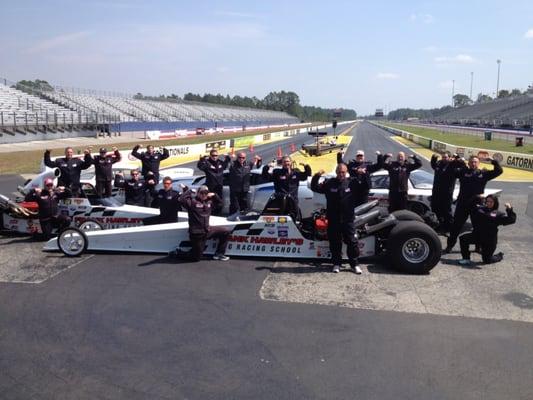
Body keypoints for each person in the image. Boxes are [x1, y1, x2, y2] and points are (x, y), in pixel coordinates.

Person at [310, 164, 362, 274]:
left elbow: (366, 186)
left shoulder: (352, 182)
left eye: (343, 172)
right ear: (336, 172)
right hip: (334, 219)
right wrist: (317, 175)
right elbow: (314, 187)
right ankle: (336, 264)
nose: (341, 174)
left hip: (348, 219)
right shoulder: (329, 183)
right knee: (335, 242)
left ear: (346, 172)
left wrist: (362, 174)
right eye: (339, 172)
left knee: (352, 242)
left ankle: (354, 264)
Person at [445, 156, 503, 253]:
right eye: (471, 162)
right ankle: (449, 246)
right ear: (468, 163)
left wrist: (493, 161)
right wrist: (455, 162)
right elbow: (449, 171)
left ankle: (478, 246)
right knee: (456, 226)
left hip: (477, 204)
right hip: (463, 203)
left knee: (478, 226)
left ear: (479, 163)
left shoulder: (483, 174)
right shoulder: (463, 172)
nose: (473, 164)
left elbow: (499, 171)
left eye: (475, 162)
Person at [459, 195, 516, 265]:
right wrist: (478, 198)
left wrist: (509, 209)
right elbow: (470, 205)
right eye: (487, 201)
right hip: (477, 236)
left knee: (487, 260)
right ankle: (466, 258)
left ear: (495, 203)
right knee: (463, 238)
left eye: (491, 202)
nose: (488, 203)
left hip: (489, 241)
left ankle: (499, 256)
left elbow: (511, 220)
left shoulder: (498, 214)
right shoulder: (480, 209)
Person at [178, 185, 230, 261]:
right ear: (198, 193)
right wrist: (189, 191)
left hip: (207, 231)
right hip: (197, 234)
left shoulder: (209, 202)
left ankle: (219, 253)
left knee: (226, 231)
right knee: (196, 258)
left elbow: (220, 204)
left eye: (205, 193)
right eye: (201, 193)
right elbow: (182, 199)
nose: (203, 195)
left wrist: (215, 195)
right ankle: (178, 253)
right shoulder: (192, 202)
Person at [430, 152, 460, 233]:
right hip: (436, 192)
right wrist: (434, 157)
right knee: (435, 209)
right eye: (443, 157)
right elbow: (433, 165)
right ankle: (440, 225)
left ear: (449, 158)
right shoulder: (439, 163)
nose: (444, 158)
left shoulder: (453, 165)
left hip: (447, 193)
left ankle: (449, 228)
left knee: (446, 211)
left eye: (445, 157)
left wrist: (456, 158)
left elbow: (461, 165)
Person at [197, 149, 232, 215]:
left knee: (219, 203)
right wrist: (201, 160)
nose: (215, 157)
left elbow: (226, 164)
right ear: (210, 156)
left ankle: (218, 215)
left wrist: (227, 157)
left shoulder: (220, 162)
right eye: (213, 155)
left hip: (219, 187)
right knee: (210, 203)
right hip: (210, 187)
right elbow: (200, 167)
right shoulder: (207, 163)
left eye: (216, 155)